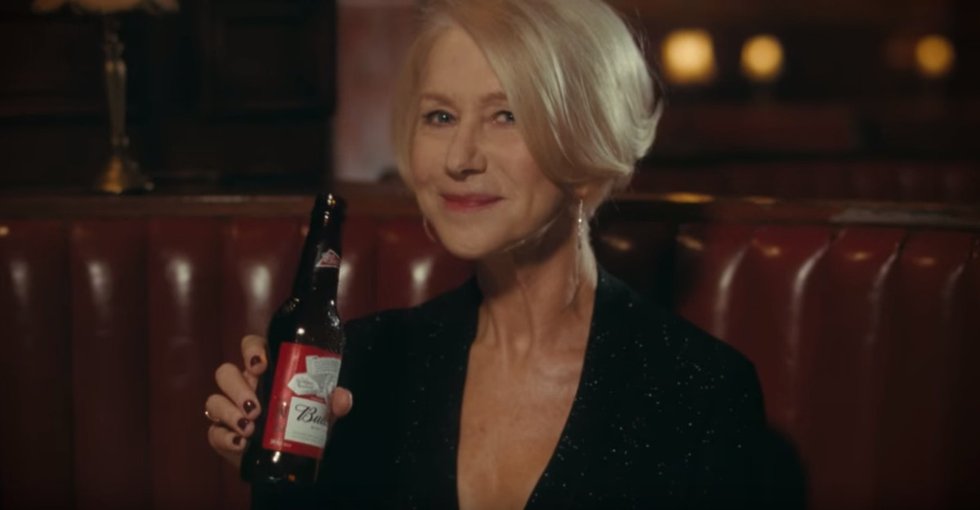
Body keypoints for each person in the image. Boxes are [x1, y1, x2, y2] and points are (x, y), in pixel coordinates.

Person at [206, 0, 781, 508]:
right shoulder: (357, 364)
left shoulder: (702, 391)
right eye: (440, 116)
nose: (459, 158)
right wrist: (277, 479)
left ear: (588, 147)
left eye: (507, 115)